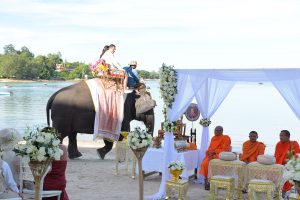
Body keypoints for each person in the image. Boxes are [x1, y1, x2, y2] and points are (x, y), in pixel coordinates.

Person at [199, 126, 231, 190]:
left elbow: (225, 149)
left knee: (215, 164)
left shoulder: (225, 138)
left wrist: (214, 152)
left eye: (218, 130)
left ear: (222, 131)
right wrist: (210, 153)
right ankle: (207, 181)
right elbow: (210, 148)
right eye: (215, 130)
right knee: (205, 163)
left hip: (221, 156)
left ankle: (217, 182)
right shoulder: (213, 138)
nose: (216, 132)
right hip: (211, 155)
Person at [274, 130, 300, 196]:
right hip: (279, 166)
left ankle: (287, 194)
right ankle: (279, 194)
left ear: (288, 136)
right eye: (280, 135)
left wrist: (289, 162)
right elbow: (276, 156)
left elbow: (297, 155)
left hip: (290, 166)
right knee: (278, 183)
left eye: (282, 135)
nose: (280, 137)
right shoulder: (278, 144)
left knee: (288, 183)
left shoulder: (294, 143)